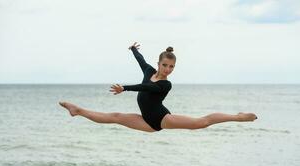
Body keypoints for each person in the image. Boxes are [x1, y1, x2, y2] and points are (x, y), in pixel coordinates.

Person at [59, 42, 257, 133]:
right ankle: (77, 110)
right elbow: (141, 61)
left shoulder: (165, 84)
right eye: (165, 65)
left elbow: (147, 89)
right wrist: (134, 49)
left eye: (172, 67)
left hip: (162, 119)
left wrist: (124, 88)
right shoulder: (148, 71)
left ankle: (238, 117)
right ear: (159, 63)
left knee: (201, 123)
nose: (168, 69)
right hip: (146, 122)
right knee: (115, 117)